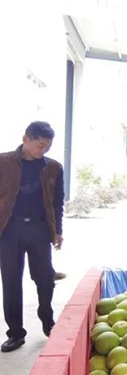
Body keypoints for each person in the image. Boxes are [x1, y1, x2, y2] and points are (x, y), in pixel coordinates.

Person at [0, 121, 64, 352]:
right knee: (11, 282)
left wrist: (58, 231)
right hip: (9, 231)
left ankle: (48, 320)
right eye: (40, 145)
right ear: (26, 139)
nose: (43, 150)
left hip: (39, 229)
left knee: (45, 278)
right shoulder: (4, 162)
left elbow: (57, 202)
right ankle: (16, 333)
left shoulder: (54, 168)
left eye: (48, 146)